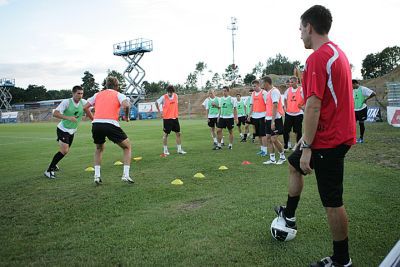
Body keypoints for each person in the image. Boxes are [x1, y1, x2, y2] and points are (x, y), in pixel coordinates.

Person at [274, 5, 356, 267]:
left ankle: (341, 260)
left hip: (328, 140)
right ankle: (289, 215)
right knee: (293, 164)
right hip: (328, 134)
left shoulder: (318, 58)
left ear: (309, 26)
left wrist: (308, 144)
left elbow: (314, 104)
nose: (300, 35)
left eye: (300, 29)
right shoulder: (337, 53)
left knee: (332, 202)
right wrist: (304, 141)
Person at [83, 76, 133, 185]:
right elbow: (126, 105)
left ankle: (96, 176)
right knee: (127, 147)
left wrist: (93, 119)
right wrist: (126, 117)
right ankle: (126, 175)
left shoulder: (97, 94)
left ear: (106, 85)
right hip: (110, 124)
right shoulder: (119, 94)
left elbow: (85, 107)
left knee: (99, 148)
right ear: (117, 86)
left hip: (96, 125)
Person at [44, 86, 87, 179]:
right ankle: (49, 170)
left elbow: (90, 108)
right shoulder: (66, 102)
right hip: (63, 129)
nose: (80, 95)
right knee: (64, 150)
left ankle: (54, 165)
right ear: (73, 93)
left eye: (82, 93)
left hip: (72, 131)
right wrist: (68, 118)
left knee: (64, 151)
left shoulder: (83, 102)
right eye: (78, 93)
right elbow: (55, 113)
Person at [155, 85, 187, 155]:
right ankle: (165, 150)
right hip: (167, 119)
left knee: (178, 134)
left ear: (173, 92)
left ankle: (179, 149)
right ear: (167, 91)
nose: (170, 94)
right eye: (169, 92)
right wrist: (159, 111)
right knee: (166, 135)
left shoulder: (176, 96)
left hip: (175, 118)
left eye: (171, 92)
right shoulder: (164, 97)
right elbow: (156, 102)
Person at [261, 76, 286, 165]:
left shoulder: (274, 91)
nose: (262, 85)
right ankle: (272, 159)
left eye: (262, 83)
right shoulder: (268, 92)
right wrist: (266, 117)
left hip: (275, 119)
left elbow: (275, 106)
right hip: (268, 118)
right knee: (268, 139)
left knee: (274, 139)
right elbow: (269, 107)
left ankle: (282, 157)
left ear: (267, 83)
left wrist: (273, 121)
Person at [283, 76, 305, 151]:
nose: (290, 83)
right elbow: (285, 99)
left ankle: (297, 145)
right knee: (286, 130)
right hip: (289, 113)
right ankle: (286, 145)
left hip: (298, 113)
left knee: (298, 131)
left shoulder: (301, 90)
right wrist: (285, 107)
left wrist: (302, 107)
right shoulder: (288, 90)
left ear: (296, 82)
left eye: (292, 82)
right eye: (290, 82)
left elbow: (306, 99)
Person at [247, 80, 268, 156]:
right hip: (255, 116)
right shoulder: (253, 94)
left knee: (263, 134)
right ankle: (262, 149)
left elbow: (267, 105)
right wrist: (249, 115)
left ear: (259, 85)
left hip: (262, 116)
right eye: (252, 86)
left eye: (255, 86)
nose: (253, 87)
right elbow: (252, 105)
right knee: (258, 134)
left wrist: (266, 115)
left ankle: (265, 151)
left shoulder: (264, 93)